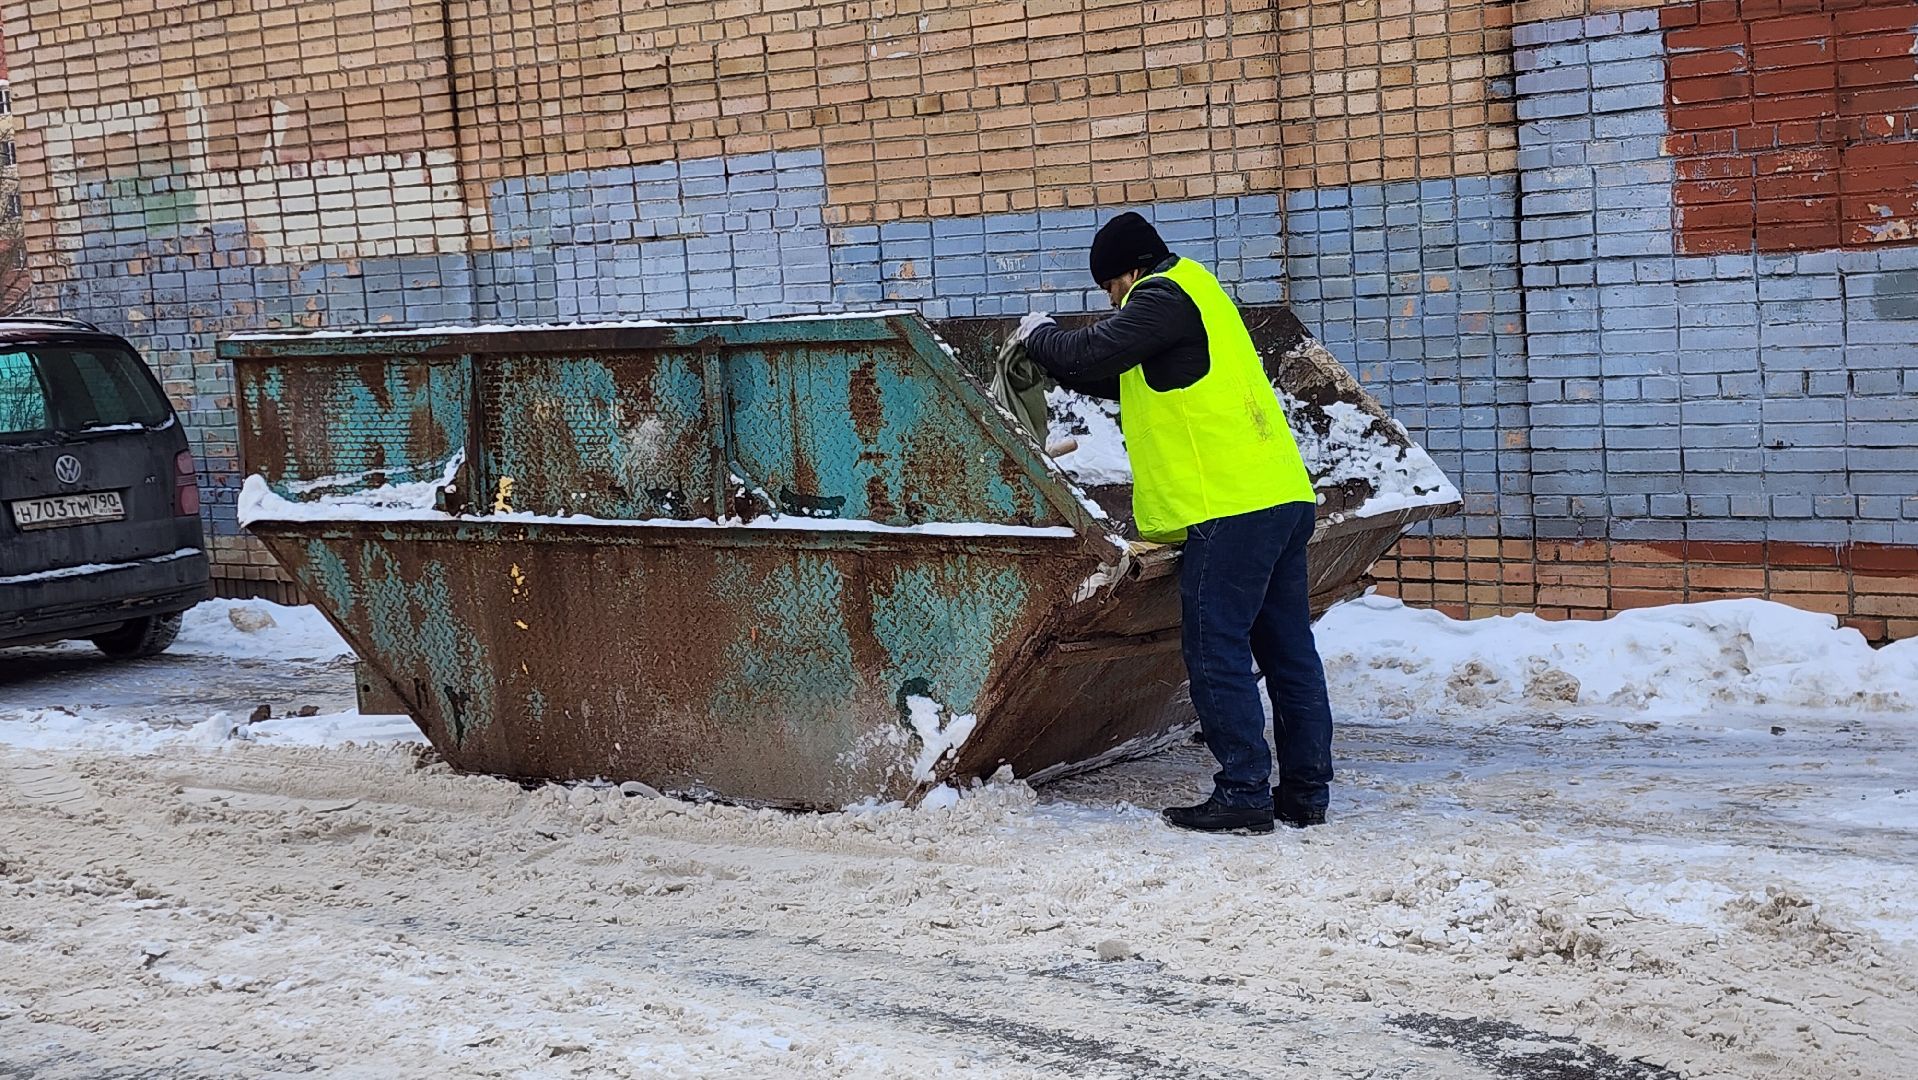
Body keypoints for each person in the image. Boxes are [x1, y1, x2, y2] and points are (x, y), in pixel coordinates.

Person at [1017, 211, 1334, 834]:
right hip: (1280, 498)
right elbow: (1117, 373)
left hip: (1230, 510)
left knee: (1215, 651)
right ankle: (1304, 794)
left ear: (1127, 272)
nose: (1113, 302)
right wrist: (1058, 366)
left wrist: (1038, 336)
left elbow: (1096, 347)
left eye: (1110, 290)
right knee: (1289, 652)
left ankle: (1243, 791)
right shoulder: (1200, 296)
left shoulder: (1161, 293)